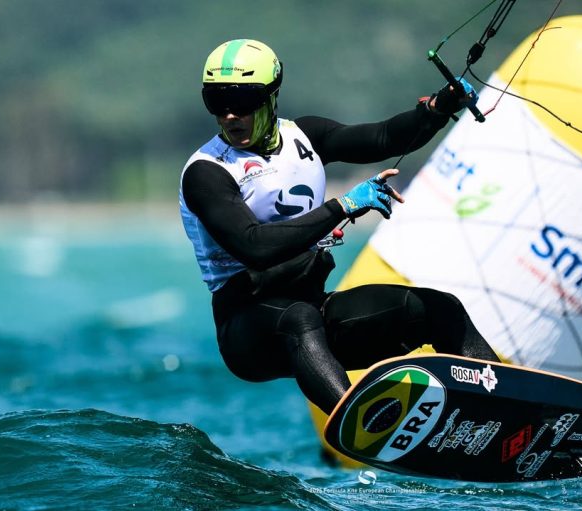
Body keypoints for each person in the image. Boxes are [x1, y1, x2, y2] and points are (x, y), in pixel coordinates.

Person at [180, 39, 499, 415]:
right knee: (299, 318)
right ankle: (361, 424)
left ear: (271, 95)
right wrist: (341, 206)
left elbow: (383, 138)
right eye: (218, 103)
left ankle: (506, 402)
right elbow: (255, 247)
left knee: (438, 308)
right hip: (248, 330)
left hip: (315, 314)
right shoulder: (206, 171)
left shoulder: (305, 136)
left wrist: (438, 107)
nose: (231, 115)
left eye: (244, 101)